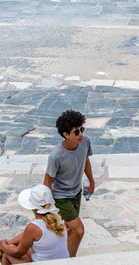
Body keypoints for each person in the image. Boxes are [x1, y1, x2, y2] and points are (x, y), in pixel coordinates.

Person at [44, 110, 94, 258]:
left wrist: (91, 182)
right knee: (79, 230)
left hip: (76, 193)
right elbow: (47, 183)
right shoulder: (55, 156)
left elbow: (85, 161)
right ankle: (70, 260)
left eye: (82, 129)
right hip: (61, 197)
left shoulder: (85, 142)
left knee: (70, 229)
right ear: (66, 134)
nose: (81, 134)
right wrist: (46, 209)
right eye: (76, 131)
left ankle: (61, 255)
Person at [0, 185, 69, 264]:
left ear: (33, 207)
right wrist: (8, 243)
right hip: (63, 262)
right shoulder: (58, 218)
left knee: (6, 253)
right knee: (11, 247)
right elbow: (26, 235)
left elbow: (18, 252)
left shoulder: (33, 228)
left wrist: (1, 245)